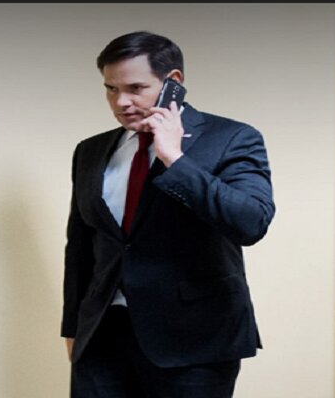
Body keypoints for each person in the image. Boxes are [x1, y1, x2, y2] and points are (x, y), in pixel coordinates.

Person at [60, 30, 275, 398]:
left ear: (173, 82)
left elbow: (250, 222)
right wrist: (73, 328)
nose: (121, 102)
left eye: (135, 88)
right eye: (111, 89)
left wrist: (174, 158)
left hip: (195, 340)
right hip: (102, 336)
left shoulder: (232, 138)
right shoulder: (91, 151)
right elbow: (80, 246)